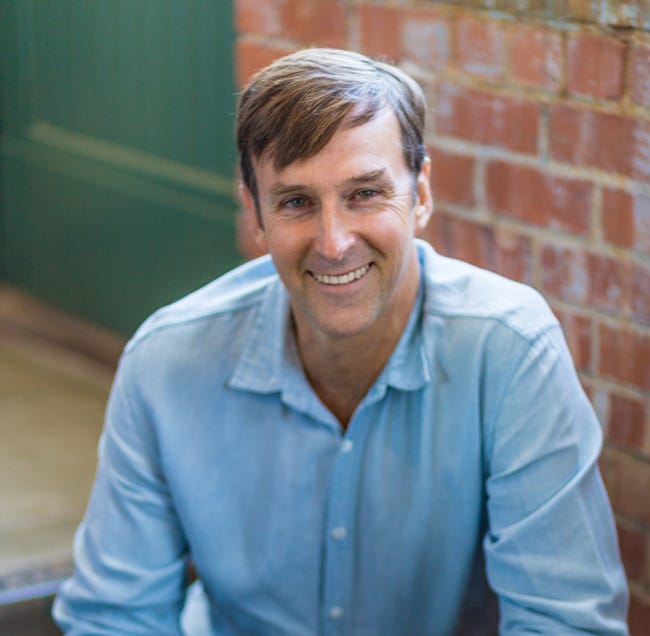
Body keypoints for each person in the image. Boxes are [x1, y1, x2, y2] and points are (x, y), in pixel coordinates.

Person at [53, 48, 629, 635]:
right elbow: (114, 618)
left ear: (421, 194)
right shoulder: (166, 363)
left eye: (365, 194)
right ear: (255, 211)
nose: (334, 243)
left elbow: (564, 622)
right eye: (296, 202)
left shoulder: (510, 350)